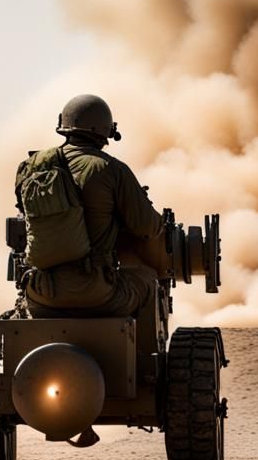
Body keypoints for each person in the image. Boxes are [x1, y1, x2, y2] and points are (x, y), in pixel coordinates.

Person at [20, 94, 164, 318]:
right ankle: (145, 353)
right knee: (148, 281)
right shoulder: (111, 170)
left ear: (63, 125)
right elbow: (147, 227)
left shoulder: (32, 167)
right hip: (97, 292)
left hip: (41, 291)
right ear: (105, 130)